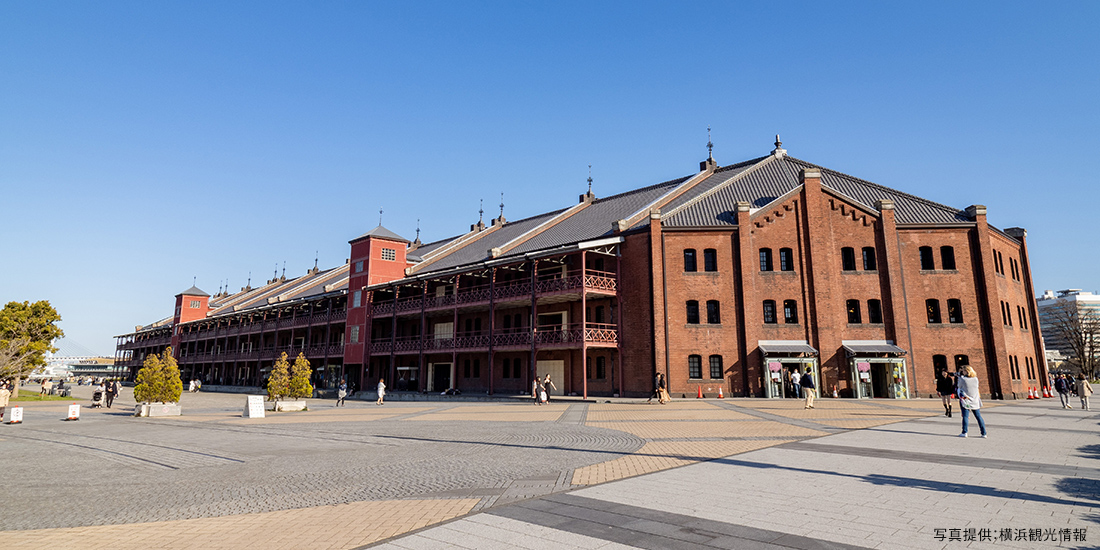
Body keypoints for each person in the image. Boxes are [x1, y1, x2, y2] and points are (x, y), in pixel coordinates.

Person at [956, 365, 988, 438]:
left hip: (965, 400)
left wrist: (959, 377)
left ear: (967, 371)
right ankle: (984, 433)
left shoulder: (963, 379)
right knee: (978, 416)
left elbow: (959, 386)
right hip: (975, 400)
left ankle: (964, 432)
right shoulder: (975, 379)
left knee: (965, 416)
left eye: (963, 371)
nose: (962, 372)